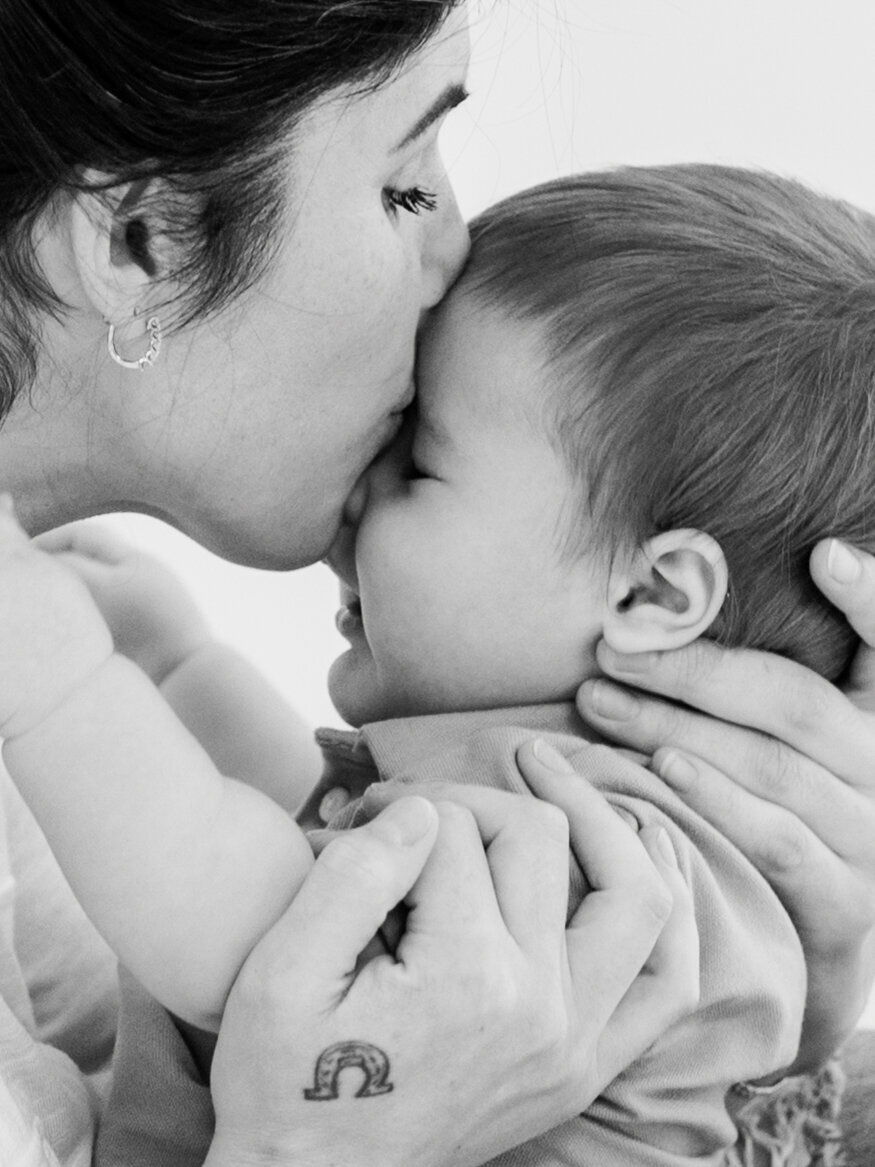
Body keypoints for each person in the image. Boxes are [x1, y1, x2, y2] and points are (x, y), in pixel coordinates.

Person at [0, 0, 873, 1162]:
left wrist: (98, 667)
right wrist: (109, 660)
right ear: (142, 241)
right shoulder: (564, 823)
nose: (451, 242)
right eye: (403, 181)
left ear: (656, 597)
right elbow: (253, 862)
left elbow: (243, 915)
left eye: (421, 459)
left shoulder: (602, 850)